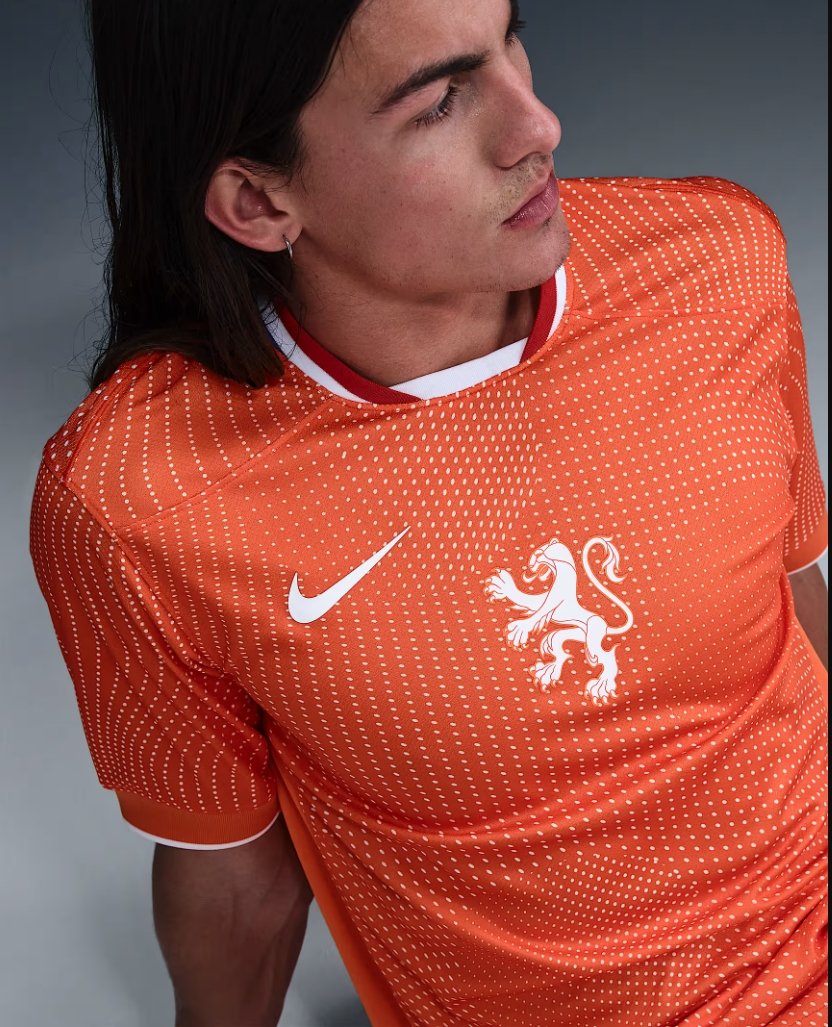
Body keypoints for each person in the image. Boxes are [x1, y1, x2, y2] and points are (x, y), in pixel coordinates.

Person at [29, 0, 828, 1024]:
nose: (538, 125)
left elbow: (796, 619)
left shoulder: (717, 262)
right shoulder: (139, 496)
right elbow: (237, 883)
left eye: (510, 38)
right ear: (258, 201)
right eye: (440, 100)